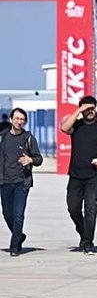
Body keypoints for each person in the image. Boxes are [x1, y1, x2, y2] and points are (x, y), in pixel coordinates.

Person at [60, 95, 97, 254]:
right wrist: (79, 110)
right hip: (75, 175)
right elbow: (64, 128)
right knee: (73, 208)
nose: (90, 111)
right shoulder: (75, 126)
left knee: (91, 210)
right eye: (86, 108)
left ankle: (88, 242)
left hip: (94, 175)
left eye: (92, 108)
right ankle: (84, 233)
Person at [0, 108, 43, 256]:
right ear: (11, 119)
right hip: (4, 181)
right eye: (17, 118)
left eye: (22, 119)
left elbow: (39, 159)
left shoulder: (28, 138)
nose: (19, 122)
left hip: (21, 183)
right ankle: (19, 235)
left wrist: (30, 159)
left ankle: (14, 246)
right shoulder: (2, 137)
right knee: (7, 214)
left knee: (18, 214)